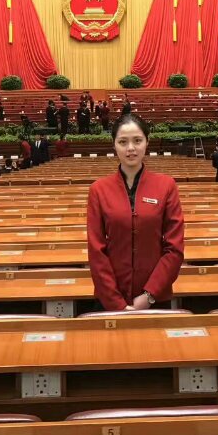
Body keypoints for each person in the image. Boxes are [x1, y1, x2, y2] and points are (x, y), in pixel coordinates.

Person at [87, 113, 184, 312]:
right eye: (123, 142)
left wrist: (149, 295)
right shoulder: (99, 189)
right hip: (110, 299)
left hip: (155, 298)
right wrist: (116, 303)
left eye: (137, 141)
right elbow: (96, 251)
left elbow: (174, 248)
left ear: (147, 142)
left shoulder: (166, 186)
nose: (130, 148)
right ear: (114, 145)